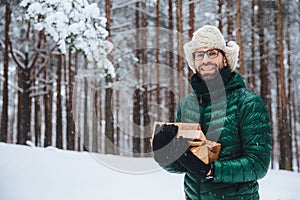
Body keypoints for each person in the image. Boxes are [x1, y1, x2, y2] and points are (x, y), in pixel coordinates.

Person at [152, 25, 271, 199]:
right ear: (194, 63)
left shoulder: (248, 103)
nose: (205, 60)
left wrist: (211, 170)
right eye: (199, 54)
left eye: (212, 53)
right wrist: (165, 154)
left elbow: (258, 164)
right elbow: (184, 165)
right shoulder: (187, 105)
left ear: (225, 60)